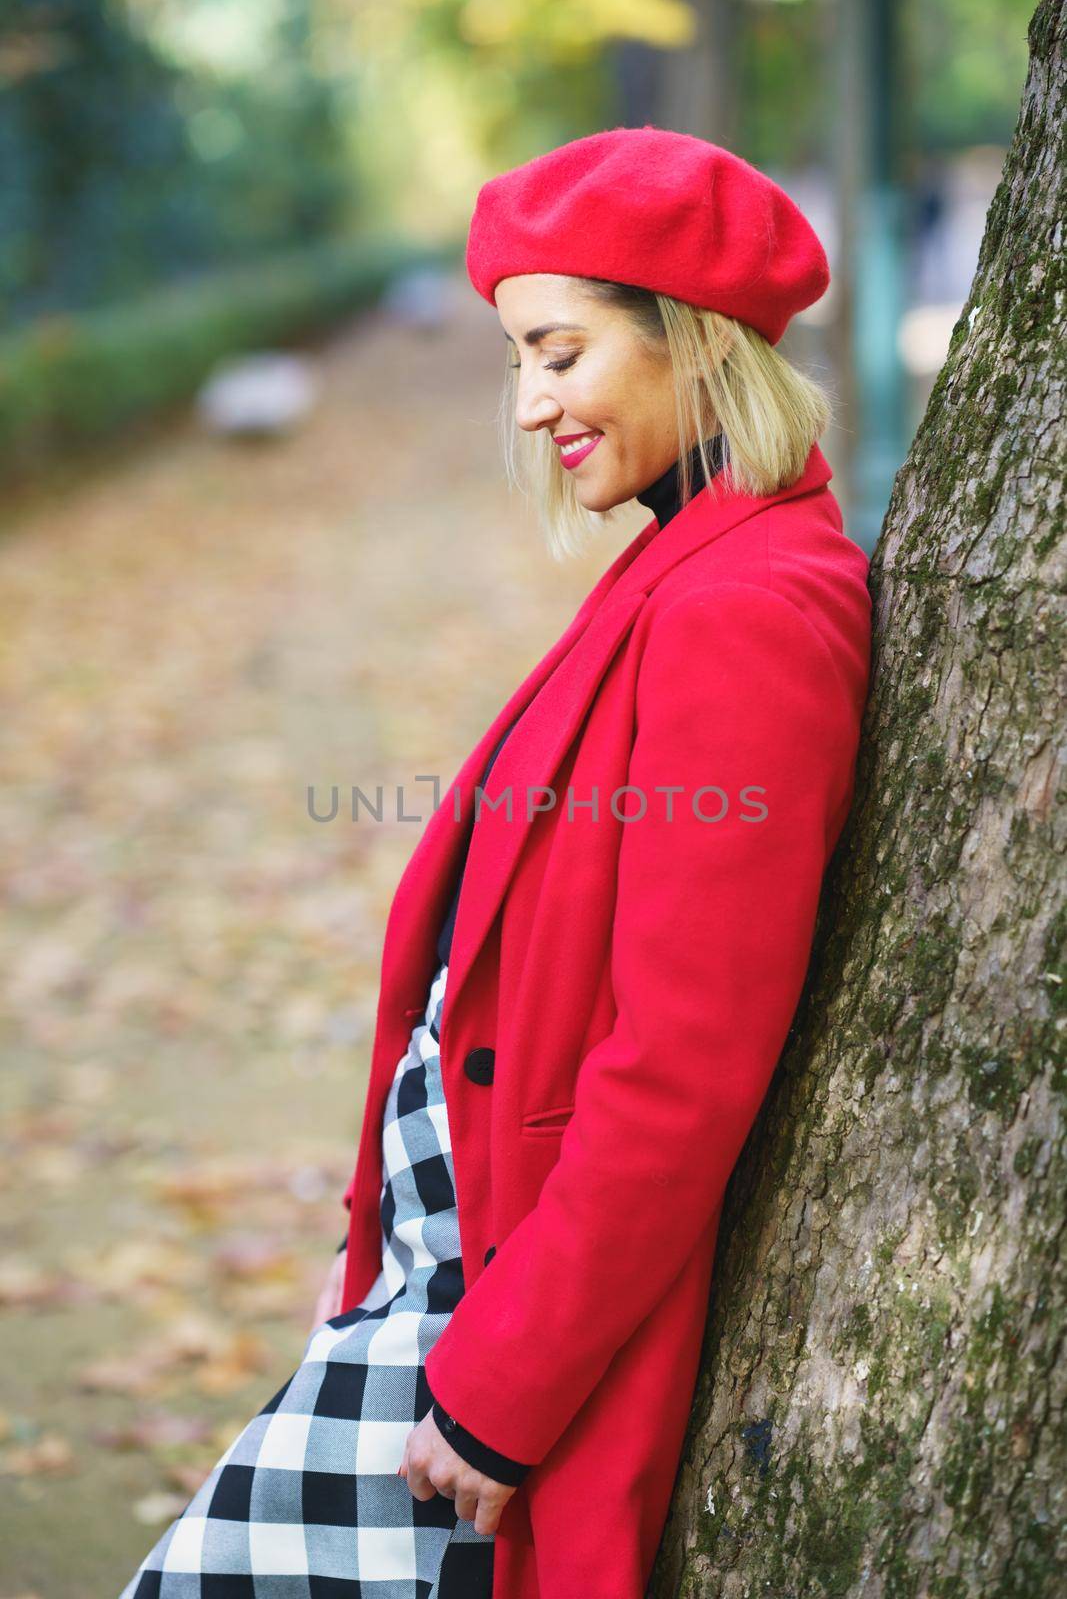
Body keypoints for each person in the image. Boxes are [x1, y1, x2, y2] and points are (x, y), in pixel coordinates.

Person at [116, 125, 872, 1599]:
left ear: (696, 346)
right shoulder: (688, 570)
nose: (530, 406)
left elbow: (686, 1062)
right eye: (519, 360)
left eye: (563, 353)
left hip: (497, 1323)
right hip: (449, 1283)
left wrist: (499, 1386)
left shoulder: (747, 611)